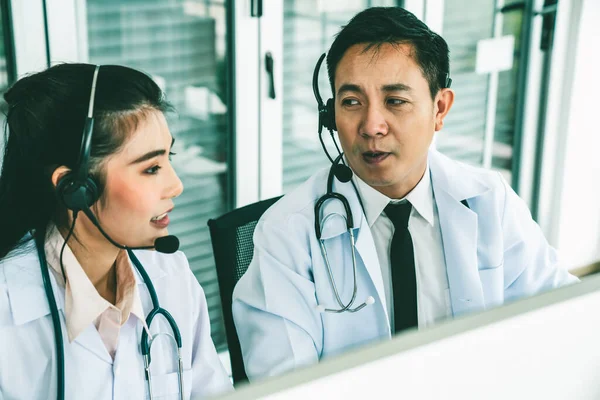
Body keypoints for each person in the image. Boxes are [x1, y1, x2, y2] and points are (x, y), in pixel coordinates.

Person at [232, 6, 578, 380]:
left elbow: (560, 318)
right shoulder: (286, 234)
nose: (371, 126)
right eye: (351, 102)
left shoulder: (490, 203)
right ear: (330, 114)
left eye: (395, 101)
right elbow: (286, 385)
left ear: (439, 108)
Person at [0, 64, 232, 399]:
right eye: (151, 168)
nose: (176, 186)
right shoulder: (8, 313)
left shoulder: (171, 275)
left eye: (170, 158)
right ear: (75, 188)